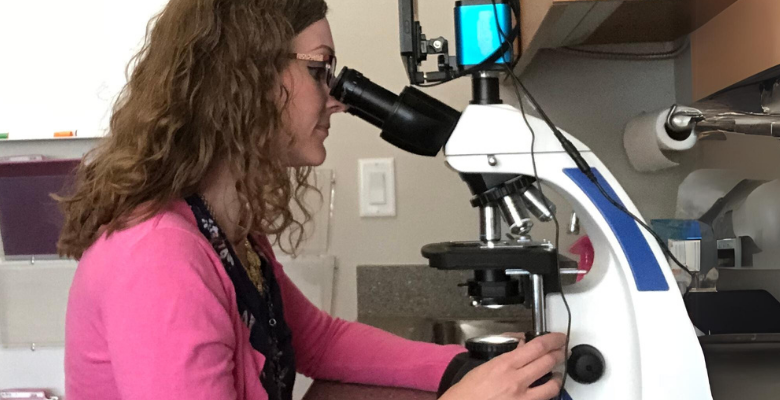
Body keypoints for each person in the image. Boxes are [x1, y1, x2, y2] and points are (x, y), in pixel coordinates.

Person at [58, 0, 566, 399]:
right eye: (321, 70)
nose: (338, 97)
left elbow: (318, 341)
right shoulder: (159, 260)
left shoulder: (225, 230)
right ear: (247, 78)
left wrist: (463, 368)